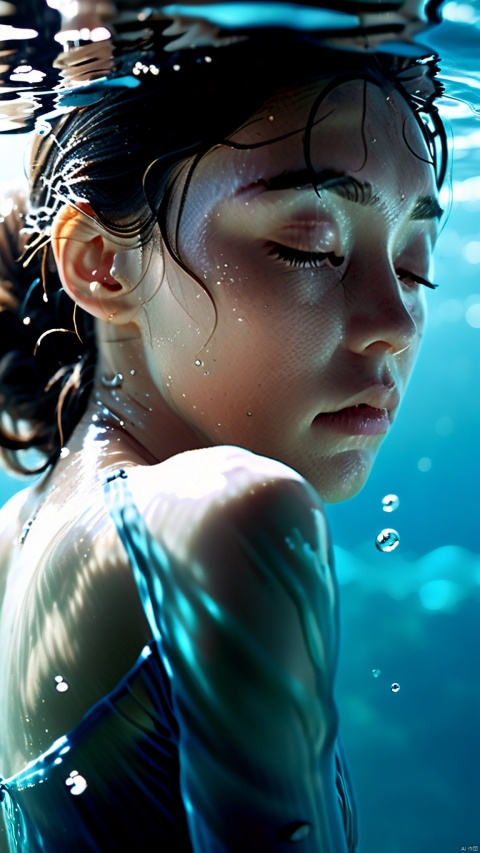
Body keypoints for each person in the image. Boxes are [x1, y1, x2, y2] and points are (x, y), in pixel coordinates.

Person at [0, 3, 446, 851]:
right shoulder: (235, 514)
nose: (394, 318)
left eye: (414, 261)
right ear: (102, 263)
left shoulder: (16, 536)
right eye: (310, 243)